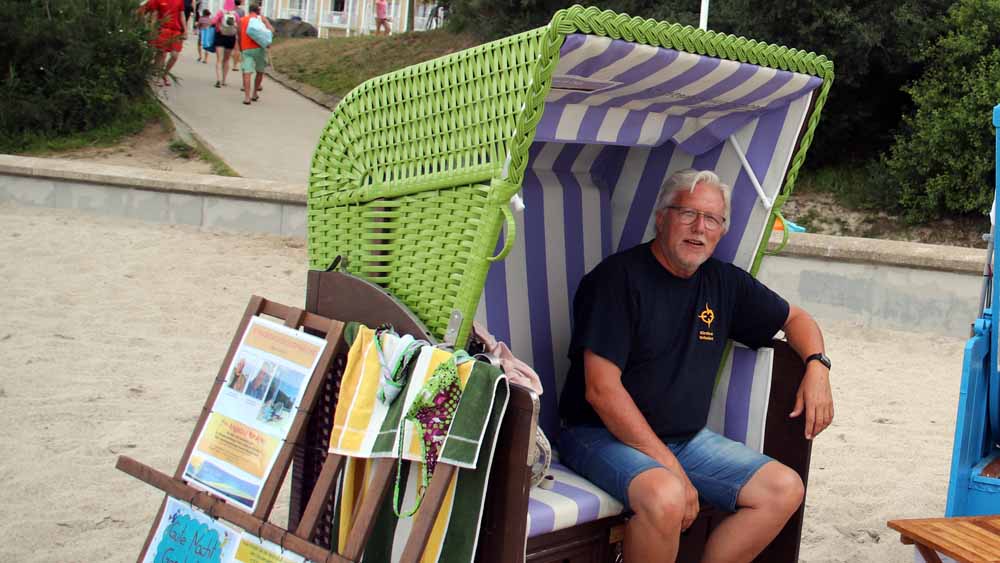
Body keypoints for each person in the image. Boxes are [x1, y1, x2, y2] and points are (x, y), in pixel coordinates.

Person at [558, 169, 835, 563]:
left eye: (712, 219)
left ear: (722, 231)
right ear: (662, 218)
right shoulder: (616, 280)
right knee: (667, 496)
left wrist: (817, 367)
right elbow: (601, 390)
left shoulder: (724, 283)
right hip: (598, 434)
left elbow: (796, 319)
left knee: (783, 489)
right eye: (687, 213)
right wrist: (669, 466)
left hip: (685, 439)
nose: (699, 228)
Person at [140, 0, 186, 87]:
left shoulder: (180, 1)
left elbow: (182, 15)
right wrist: (152, 30)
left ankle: (165, 74)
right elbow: (154, 16)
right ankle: (157, 78)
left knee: (174, 55)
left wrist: (185, 30)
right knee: (161, 54)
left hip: (176, 31)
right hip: (163, 30)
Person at [238, 3, 273, 106]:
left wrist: (240, 47)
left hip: (246, 48)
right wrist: (266, 21)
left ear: (249, 10)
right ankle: (254, 93)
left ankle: (247, 97)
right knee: (260, 71)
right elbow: (271, 31)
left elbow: (239, 34)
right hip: (259, 48)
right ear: (258, 11)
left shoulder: (242, 20)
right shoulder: (260, 19)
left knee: (247, 72)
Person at [210, 0, 241, 88]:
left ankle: (218, 79)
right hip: (230, 37)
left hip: (220, 36)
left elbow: (213, 22)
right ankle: (224, 80)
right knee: (226, 60)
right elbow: (239, 25)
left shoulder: (220, 12)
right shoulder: (235, 14)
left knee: (219, 59)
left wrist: (217, 25)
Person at [232, 0, 246, 73]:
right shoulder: (241, 11)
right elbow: (242, 21)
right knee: (236, 49)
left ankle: (225, 62)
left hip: (228, 30)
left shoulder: (229, 10)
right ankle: (235, 65)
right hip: (237, 30)